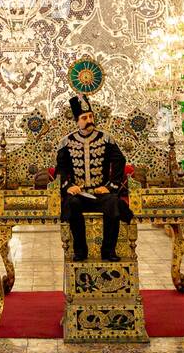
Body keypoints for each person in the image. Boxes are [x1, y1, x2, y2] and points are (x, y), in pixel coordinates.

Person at [57, 93, 132, 261]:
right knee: (72, 205)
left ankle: (108, 251)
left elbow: (120, 161)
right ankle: (80, 251)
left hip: (101, 193)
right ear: (77, 121)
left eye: (91, 116)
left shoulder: (106, 139)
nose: (89, 120)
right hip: (79, 194)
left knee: (113, 203)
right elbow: (60, 169)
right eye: (85, 117)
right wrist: (69, 186)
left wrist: (110, 186)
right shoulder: (66, 142)